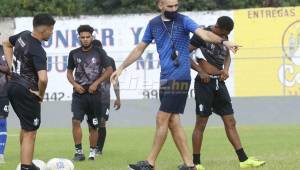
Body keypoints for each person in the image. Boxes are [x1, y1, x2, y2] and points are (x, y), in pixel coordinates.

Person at [110, 0, 240, 169]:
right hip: (165, 77)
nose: (174, 9)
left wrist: (224, 42)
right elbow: (139, 49)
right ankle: (189, 164)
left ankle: (150, 163)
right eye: (170, 6)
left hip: (180, 76)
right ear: (160, 5)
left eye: (176, 5)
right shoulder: (153, 24)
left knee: (161, 117)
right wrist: (121, 68)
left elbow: (205, 34)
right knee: (173, 122)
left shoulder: (184, 20)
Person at [189, 16, 266, 169]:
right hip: (204, 84)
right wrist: (200, 71)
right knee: (201, 123)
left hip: (219, 83)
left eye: (226, 35)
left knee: (230, 122)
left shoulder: (224, 37)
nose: (224, 37)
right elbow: (185, 54)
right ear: (217, 27)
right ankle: (196, 163)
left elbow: (228, 55)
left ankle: (244, 160)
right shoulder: (202, 34)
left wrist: (226, 69)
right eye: (223, 33)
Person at [2, 13, 55, 170]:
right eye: (51, 30)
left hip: (12, 86)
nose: (51, 33)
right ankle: (26, 166)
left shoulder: (23, 35)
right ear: (44, 29)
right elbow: (43, 79)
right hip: (26, 90)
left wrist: (12, 68)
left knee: (26, 128)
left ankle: (26, 163)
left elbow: (6, 43)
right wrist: (41, 94)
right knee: (31, 131)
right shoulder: (38, 50)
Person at [67, 25, 113, 161]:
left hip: (95, 94)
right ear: (79, 38)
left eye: (88, 37)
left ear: (92, 37)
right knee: (75, 121)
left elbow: (109, 70)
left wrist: (96, 83)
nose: (85, 40)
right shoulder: (73, 53)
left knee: (93, 125)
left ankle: (92, 152)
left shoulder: (99, 52)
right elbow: (69, 72)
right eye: (82, 37)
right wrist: (75, 84)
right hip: (79, 94)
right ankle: (78, 152)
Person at [91, 40, 121, 155]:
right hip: (91, 98)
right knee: (92, 123)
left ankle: (99, 149)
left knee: (102, 122)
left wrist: (118, 98)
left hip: (104, 98)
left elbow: (115, 80)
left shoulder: (109, 61)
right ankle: (92, 148)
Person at [0, 44, 9, 164]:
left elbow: (8, 69)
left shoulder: (4, 50)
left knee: (2, 122)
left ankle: (0, 154)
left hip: (2, 92)